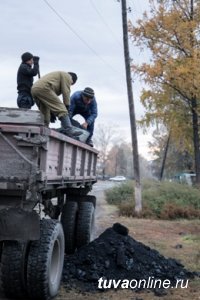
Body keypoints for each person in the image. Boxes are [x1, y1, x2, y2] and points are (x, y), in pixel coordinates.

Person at [31, 71, 82, 138]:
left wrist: (52, 111)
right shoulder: (67, 76)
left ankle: (43, 130)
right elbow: (66, 92)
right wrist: (66, 106)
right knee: (61, 109)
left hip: (34, 89)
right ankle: (69, 129)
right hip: (44, 88)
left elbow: (51, 99)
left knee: (45, 113)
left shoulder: (58, 76)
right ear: (73, 81)